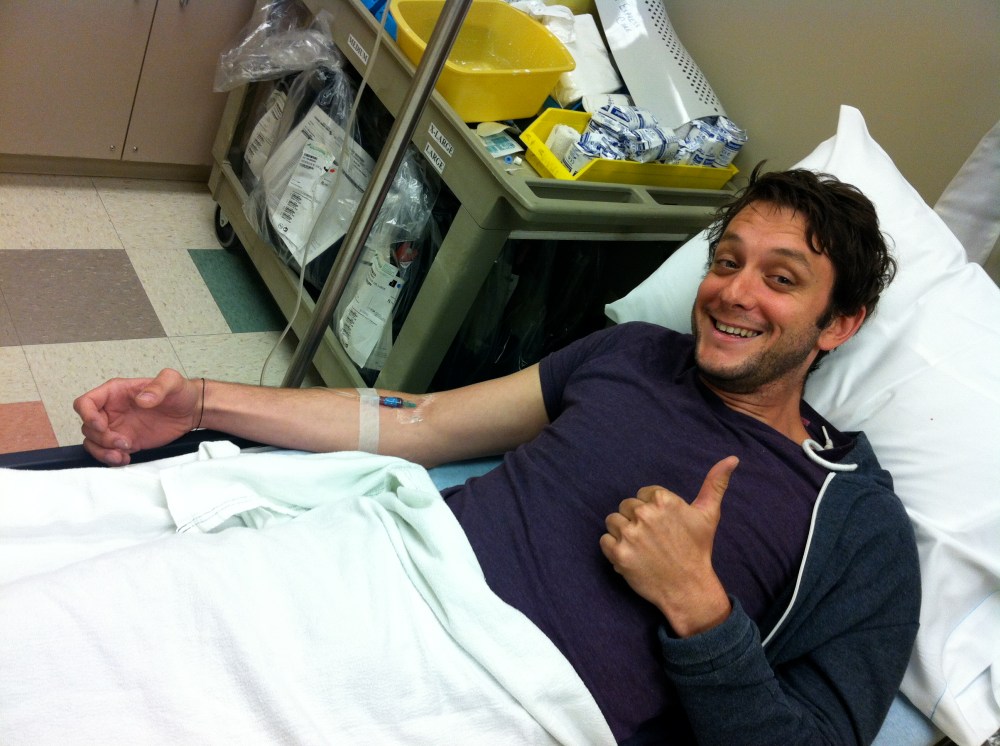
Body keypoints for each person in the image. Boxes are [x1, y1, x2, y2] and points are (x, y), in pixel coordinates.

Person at [75, 166, 920, 745]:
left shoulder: (856, 521)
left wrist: (700, 610)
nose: (734, 291)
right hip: (374, 569)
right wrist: (201, 404)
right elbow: (424, 422)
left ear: (840, 323)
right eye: (727, 262)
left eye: (781, 279)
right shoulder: (633, 354)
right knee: (83, 628)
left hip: (496, 701)